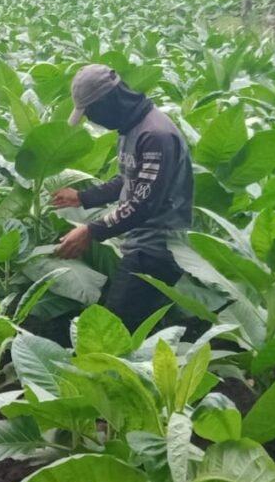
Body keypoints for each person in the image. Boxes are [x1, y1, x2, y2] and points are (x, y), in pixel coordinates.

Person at [52, 65, 194, 331]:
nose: (94, 121)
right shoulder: (132, 128)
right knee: (137, 325)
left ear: (109, 102)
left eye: (92, 113)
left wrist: (90, 231)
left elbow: (143, 203)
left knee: (116, 328)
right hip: (140, 242)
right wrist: (82, 197)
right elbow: (129, 180)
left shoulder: (155, 135)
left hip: (157, 248)